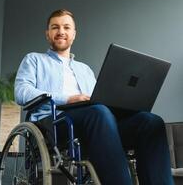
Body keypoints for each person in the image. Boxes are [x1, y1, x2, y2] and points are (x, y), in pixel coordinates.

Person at [14, 9, 173, 185]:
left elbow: (99, 100)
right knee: (98, 112)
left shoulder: (85, 70)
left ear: (74, 34)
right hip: (55, 123)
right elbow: (22, 92)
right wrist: (68, 98)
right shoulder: (34, 60)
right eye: (55, 27)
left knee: (150, 122)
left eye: (66, 27)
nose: (61, 31)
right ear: (47, 33)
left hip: (96, 123)